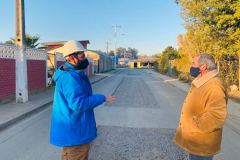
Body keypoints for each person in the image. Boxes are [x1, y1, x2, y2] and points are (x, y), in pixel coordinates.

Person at [50, 40, 116, 160]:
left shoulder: (72, 74)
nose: (85, 58)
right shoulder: (70, 77)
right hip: (75, 133)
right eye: (82, 56)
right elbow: (78, 104)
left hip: (74, 132)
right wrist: (102, 98)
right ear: (73, 58)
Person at [173, 54, 228, 160]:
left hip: (202, 142)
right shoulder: (203, 81)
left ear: (203, 67)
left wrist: (193, 125)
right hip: (196, 140)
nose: (192, 66)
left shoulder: (213, 85)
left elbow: (217, 116)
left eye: (194, 64)